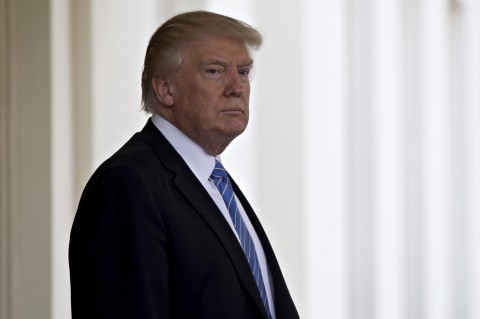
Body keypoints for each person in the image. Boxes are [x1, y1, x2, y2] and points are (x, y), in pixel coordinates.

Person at [69, 10, 299, 319]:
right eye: (215, 71)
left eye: (243, 72)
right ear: (166, 89)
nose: (237, 87)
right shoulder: (128, 184)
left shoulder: (214, 181)